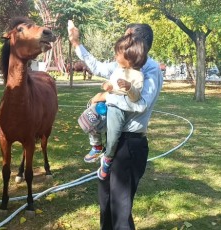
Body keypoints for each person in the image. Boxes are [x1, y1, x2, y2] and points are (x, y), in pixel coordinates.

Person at [68, 21, 163, 230]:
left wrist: (106, 96)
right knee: (107, 204)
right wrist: (77, 44)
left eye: (126, 36)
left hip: (130, 144)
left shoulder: (151, 69)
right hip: (113, 139)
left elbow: (142, 105)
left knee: (120, 210)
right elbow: (97, 67)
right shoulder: (123, 64)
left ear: (137, 42)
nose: (122, 40)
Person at [77, 32, 148, 181]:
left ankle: (108, 158)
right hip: (107, 103)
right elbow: (113, 86)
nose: (115, 56)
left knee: (113, 136)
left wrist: (129, 88)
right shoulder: (118, 70)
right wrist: (108, 86)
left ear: (129, 57)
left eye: (118, 54)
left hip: (117, 110)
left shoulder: (137, 76)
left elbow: (136, 98)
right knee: (89, 120)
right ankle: (96, 145)